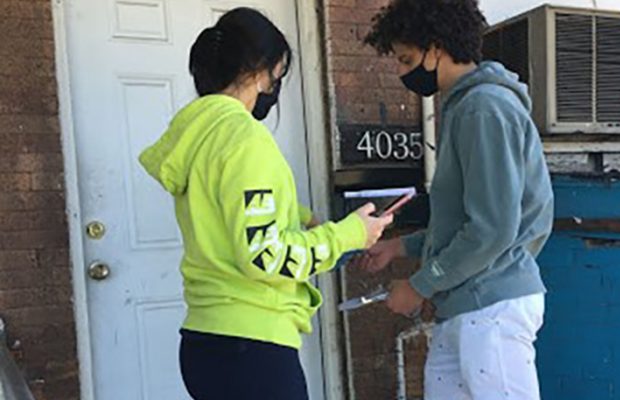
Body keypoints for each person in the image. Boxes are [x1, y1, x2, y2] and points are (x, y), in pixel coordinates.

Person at [139, 8, 393, 400]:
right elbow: (265, 256)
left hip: (204, 342)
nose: (276, 85)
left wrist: (299, 220)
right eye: (279, 73)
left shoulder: (197, 136)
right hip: (252, 348)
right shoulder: (243, 138)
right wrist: (349, 235)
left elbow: (228, 218)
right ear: (260, 70)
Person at [362, 1, 555, 399]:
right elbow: (467, 223)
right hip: (472, 304)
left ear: (437, 48)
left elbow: (491, 230)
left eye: (406, 58)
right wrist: (400, 246)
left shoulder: (482, 110)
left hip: (490, 307)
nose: (401, 71)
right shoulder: (470, 107)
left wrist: (418, 286)